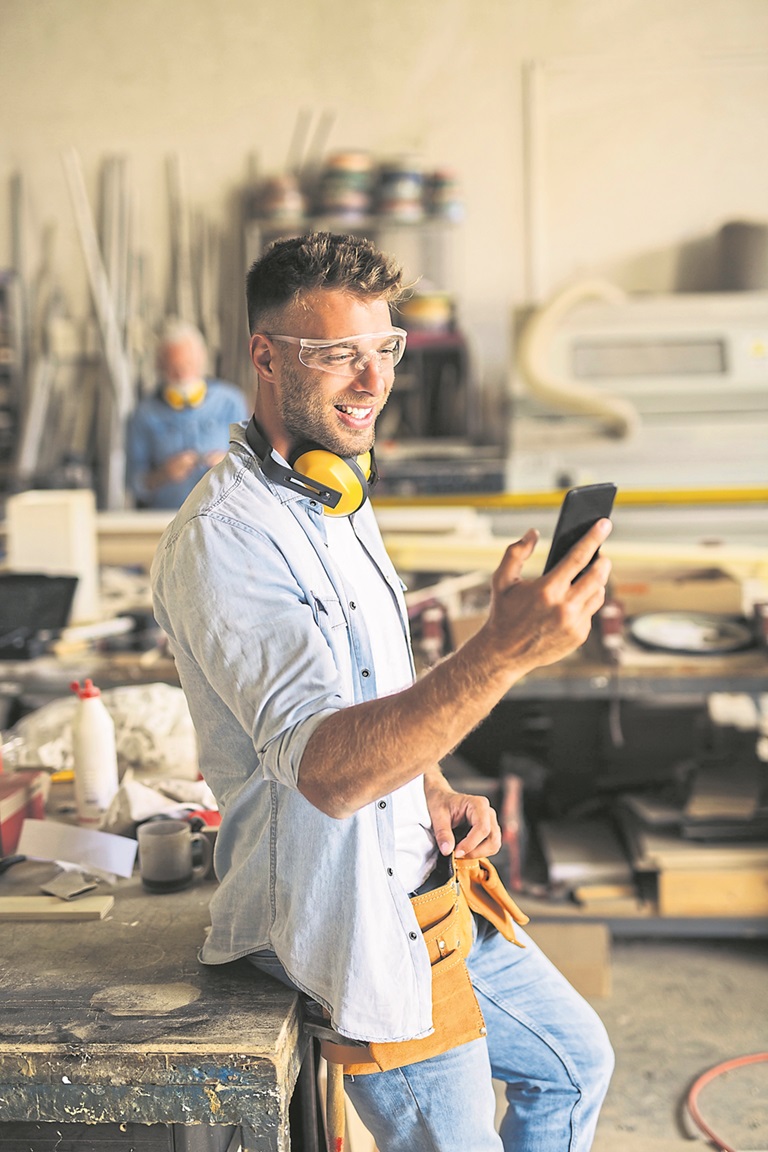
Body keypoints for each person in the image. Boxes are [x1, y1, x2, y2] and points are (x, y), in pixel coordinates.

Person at [151, 232, 615, 1152]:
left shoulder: (338, 493)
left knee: (574, 1065)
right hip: (349, 924)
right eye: (338, 356)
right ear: (266, 357)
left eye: (385, 350)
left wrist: (436, 788)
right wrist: (503, 653)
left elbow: (378, 685)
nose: (372, 383)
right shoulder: (225, 540)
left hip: (432, 886)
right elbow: (327, 770)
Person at [126, 319, 250, 509]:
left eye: (188, 365)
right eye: (174, 369)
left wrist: (227, 463)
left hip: (222, 517)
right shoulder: (145, 415)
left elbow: (253, 468)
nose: (182, 375)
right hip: (165, 520)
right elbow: (133, 484)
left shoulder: (230, 403)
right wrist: (163, 475)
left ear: (202, 361)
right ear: (160, 367)